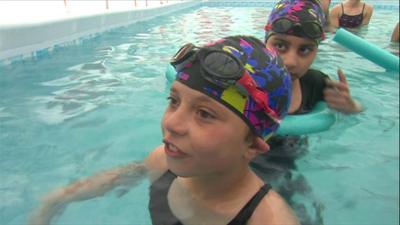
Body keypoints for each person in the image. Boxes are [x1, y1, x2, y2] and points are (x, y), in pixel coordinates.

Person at [28, 35, 300, 225]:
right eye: (174, 101)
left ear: (252, 145)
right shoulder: (163, 161)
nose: (171, 123)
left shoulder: (268, 219)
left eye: (204, 114)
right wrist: (55, 200)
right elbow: (129, 173)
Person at [254, 0, 363, 224]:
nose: (291, 62)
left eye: (305, 49)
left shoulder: (314, 83)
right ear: (265, 42)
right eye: (280, 45)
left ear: (316, 51)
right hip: (248, 168)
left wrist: (350, 107)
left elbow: (357, 114)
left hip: (291, 168)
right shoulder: (247, 81)